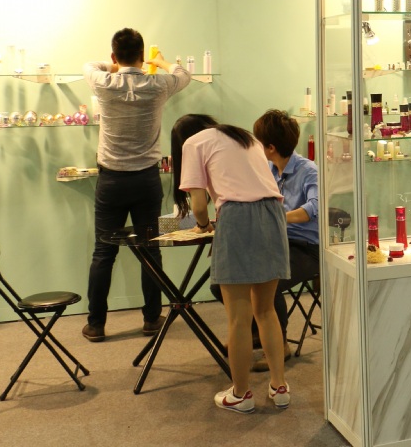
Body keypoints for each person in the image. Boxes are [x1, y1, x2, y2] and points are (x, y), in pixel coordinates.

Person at [173, 114, 291, 413]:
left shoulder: (192, 143)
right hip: (273, 214)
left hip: (237, 217)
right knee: (266, 310)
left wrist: (203, 226)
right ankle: (279, 387)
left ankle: (241, 394)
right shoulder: (244, 137)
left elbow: (199, 206)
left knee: (238, 317)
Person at [83, 28, 190, 342]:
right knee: (150, 250)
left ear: (115, 56)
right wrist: (162, 62)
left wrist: (115, 66)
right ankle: (151, 319)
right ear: (143, 57)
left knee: (103, 253)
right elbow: (184, 74)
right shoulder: (158, 84)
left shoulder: (103, 82)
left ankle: (96, 324)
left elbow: (90, 65)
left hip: (111, 181)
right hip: (146, 180)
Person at [196, 110, 320, 371]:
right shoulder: (266, 168)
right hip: (272, 239)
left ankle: (280, 344)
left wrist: (275, 218)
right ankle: (255, 332)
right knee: (221, 285)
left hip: (306, 248)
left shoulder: (309, 170)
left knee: (267, 281)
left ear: (270, 147)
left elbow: (314, 208)